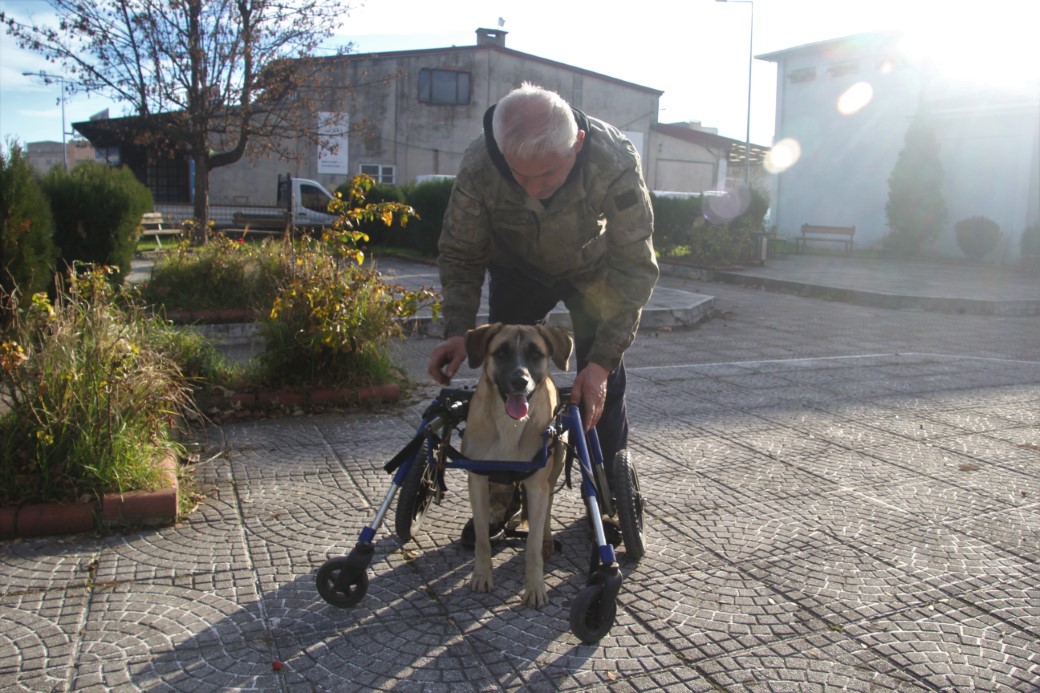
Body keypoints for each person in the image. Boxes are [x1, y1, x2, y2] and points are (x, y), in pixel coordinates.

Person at [427, 82, 659, 546]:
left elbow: (635, 268)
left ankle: (610, 493)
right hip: (518, 270)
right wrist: (458, 332)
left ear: (576, 144)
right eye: (520, 176)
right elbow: (461, 253)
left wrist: (600, 363)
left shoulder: (613, 160)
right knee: (504, 381)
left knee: (603, 391)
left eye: (547, 175)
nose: (533, 188)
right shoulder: (479, 164)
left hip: (593, 272)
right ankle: (503, 497)